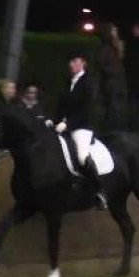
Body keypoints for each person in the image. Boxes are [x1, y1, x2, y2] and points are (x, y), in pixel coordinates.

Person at [47, 51, 108, 210]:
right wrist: (53, 121)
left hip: (82, 126)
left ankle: (99, 191)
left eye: (75, 61)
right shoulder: (68, 82)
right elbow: (61, 105)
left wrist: (68, 125)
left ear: (83, 63)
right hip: (64, 125)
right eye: (70, 61)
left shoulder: (89, 82)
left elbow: (87, 110)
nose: (71, 64)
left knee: (81, 156)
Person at [96, 22, 127, 131]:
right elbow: (102, 65)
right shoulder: (104, 48)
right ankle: (110, 130)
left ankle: (117, 129)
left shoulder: (116, 47)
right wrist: (113, 72)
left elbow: (120, 62)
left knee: (117, 108)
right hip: (110, 83)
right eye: (113, 31)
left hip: (118, 82)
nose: (115, 33)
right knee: (111, 108)